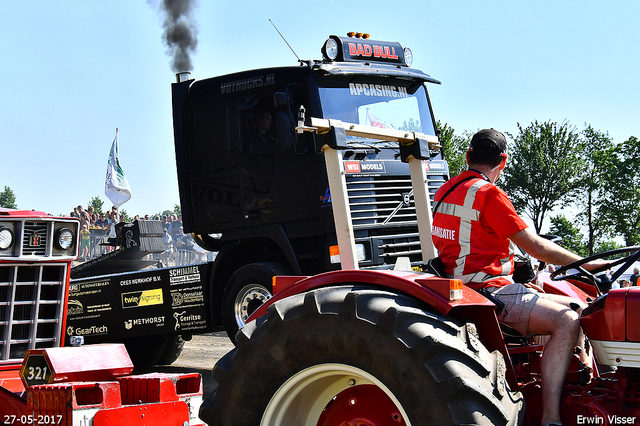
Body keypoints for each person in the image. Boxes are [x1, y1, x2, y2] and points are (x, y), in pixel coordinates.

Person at [431, 128, 606, 426]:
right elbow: (534, 246)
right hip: (488, 291)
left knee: (579, 306)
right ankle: (552, 417)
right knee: (566, 320)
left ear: (468, 156)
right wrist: (587, 264)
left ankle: (578, 384)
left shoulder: (445, 191)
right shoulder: (489, 194)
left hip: (462, 285)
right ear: (504, 161)